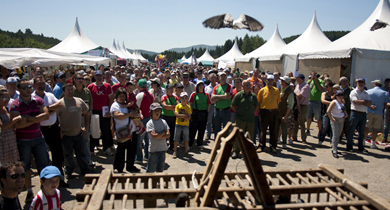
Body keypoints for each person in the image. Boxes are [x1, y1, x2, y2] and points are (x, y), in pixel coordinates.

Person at [10, 79, 50, 203]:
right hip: (23, 140)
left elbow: (46, 115)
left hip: (38, 138)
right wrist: (36, 119)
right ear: (19, 89)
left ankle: (44, 191)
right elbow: (16, 125)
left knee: (43, 166)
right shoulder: (15, 104)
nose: (28, 89)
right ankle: (29, 191)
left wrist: (29, 118)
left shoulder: (37, 100)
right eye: (24, 87)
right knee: (25, 168)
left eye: (29, 87)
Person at [32, 76, 68, 187]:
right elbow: (35, 114)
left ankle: (59, 179)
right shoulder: (32, 98)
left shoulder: (50, 95)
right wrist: (49, 111)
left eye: (43, 83)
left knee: (57, 154)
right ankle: (45, 182)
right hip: (39, 130)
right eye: (39, 84)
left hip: (53, 128)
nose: (41, 85)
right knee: (43, 158)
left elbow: (59, 105)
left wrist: (45, 111)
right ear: (34, 85)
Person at [57, 84, 91, 178]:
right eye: (68, 90)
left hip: (78, 133)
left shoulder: (79, 101)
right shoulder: (60, 103)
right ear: (63, 92)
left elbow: (86, 113)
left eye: (72, 89)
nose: (71, 91)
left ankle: (85, 170)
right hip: (66, 134)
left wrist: (85, 127)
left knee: (81, 153)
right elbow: (54, 118)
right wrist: (59, 131)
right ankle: (69, 172)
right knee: (68, 155)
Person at [111, 88, 140, 173]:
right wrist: (129, 114)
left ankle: (130, 166)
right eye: (120, 96)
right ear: (117, 96)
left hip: (132, 130)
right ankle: (118, 167)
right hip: (122, 131)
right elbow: (117, 115)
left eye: (124, 96)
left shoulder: (127, 104)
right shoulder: (115, 105)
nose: (122, 98)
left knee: (132, 150)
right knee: (121, 150)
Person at [88, 70, 115, 156]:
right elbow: (89, 100)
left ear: (103, 77)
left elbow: (111, 99)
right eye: (97, 76)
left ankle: (106, 148)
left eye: (100, 76)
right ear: (94, 77)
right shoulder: (90, 87)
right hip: (94, 111)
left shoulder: (107, 86)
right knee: (93, 130)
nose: (99, 78)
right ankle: (91, 149)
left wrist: (110, 111)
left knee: (105, 130)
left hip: (105, 111)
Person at [231, 80, 259, 158]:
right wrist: (238, 112)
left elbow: (256, 106)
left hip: (250, 120)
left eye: (249, 85)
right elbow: (233, 105)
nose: (248, 86)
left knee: (250, 137)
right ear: (242, 86)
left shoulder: (253, 95)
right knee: (238, 136)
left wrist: (251, 111)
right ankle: (236, 151)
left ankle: (249, 152)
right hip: (240, 119)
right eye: (246, 85)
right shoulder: (239, 95)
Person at [72, 73, 94, 167]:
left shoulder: (87, 91)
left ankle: (87, 158)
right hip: (73, 118)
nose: (81, 80)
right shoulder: (70, 90)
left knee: (85, 139)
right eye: (78, 78)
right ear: (74, 80)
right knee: (72, 139)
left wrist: (90, 111)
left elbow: (91, 103)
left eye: (82, 78)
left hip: (85, 118)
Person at [257, 74, 281, 154]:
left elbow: (278, 101)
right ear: (266, 81)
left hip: (273, 111)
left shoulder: (276, 90)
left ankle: (273, 146)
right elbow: (259, 102)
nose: (270, 82)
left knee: (273, 130)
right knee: (263, 130)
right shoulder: (262, 90)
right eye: (268, 80)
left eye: (271, 80)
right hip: (264, 111)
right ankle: (261, 146)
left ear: (273, 81)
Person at [346, 78, 371, 153]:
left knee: (362, 132)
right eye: (359, 82)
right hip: (355, 113)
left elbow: (369, 103)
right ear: (356, 83)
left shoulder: (366, 93)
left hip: (363, 114)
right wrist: (364, 102)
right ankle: (349, 147)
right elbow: (356, 102)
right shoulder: (353, 92)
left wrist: (362, 102)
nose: (360, 84)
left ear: (364, 84)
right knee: (351, 130)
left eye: (362, 82)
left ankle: (361, 147)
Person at [364, 79, 390, 149]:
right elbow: (386, 104)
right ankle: (373, 143)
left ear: (374, 84)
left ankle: (363, 140)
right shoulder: (385, 93)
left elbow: (365, 101)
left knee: (367, 127)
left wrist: (370, 106)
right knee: (375, 129)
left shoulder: (369, 91)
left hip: (369, 111)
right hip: (379, 112)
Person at [146, 103, 170, 173]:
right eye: (155, 111)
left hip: (162, 149)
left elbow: (168, 135)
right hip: (153, 150)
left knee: (160, 169)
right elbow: (154, 136)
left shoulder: (163, 122)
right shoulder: (150, 123)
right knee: (151, 170)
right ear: (151, 112)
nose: (157, 112)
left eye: (159, 110)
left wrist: (158, 134)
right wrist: (163, 133)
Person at [0, 87, 20, 165]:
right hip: (2, 141)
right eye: (3, 97)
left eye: (7, 97)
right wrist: (15, 119)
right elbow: (3, 127)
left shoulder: (5, 108)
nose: (6, 100)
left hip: (10, 139)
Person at [136, 79, 154, 162]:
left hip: (141, 119)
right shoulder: (150, 94)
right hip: (149, 118)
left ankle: (139, 158)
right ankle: (147, 155)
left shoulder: (140, 95)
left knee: (139, 140)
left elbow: (136, 108)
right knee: (147, 140)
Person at [189, 80, 211, 149]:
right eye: (199, 85)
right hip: (195, 112)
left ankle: (199, 143)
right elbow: (190, 102)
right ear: (197, 86)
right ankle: (190, 143)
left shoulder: (206, 94)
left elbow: (209, 103)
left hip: (203, 113)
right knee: (193, 129)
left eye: (202, 85)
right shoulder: (194, 94)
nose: (201, 87)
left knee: (202, 129)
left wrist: (207, 111)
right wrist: (191, 111)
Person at [327, 90, 348, 158]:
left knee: (338, 135)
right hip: (335, 120)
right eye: (339, 95)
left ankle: (335, 147)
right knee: (335, 135)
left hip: (341, 120)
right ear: (336, 96)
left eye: (341, 95)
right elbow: (328, 111)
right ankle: (334, 150)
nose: (340, 96)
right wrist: (332, 118)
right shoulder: (334, 102)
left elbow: (343, 110)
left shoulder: (342, 102)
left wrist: (345, 114)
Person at [211, 71, 232, 138]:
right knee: (217, 129)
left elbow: (227, 96)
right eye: (221, 76)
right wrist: (222, 97)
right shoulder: (216, 87)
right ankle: (217, 143)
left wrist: (216, 96)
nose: (223, 78)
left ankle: (225, 145)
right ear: (219, 78)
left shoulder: (229, 86)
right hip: (217, 111)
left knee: (226, 129)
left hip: (226, 111)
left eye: (224, 76)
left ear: (226, 77)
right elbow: (212, 99)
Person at [276, 76, 294, 149]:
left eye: (282, 81)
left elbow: (290, 105)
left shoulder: (289, 92)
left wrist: (286, 116)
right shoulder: (282, 89)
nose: (281, 82)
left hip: (284, 113)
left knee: (284, 129)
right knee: (278, 128)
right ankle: (278, 140)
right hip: (279, 112)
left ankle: (284, 142)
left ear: (285, 82)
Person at [292, 74, 310, 143]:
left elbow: (299, 96)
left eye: (298, 79)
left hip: (303, 106)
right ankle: (294, 136)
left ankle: (303, 138)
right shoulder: (297, 85)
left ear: (301, 79)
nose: (297, 80)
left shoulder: (306, 86)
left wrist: (293, 95)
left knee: (301, 121)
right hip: (296, 105)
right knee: (295, 121)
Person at [173, 92, 192, 159]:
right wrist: (185, 116)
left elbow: (189, 117)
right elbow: (176, 114)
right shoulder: (177, 106)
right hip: (178, 124)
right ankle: (175, 151)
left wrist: (181, 116)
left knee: (186, 139)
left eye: (185, 98)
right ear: (180, 98)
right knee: (176, 138)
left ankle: (186, 152)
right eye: (182, 98)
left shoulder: (188, 107)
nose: (184, 99)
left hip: (186, 125)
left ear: (187, 99)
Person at [306, 71, 324, 137]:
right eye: (312, 75)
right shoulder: (310, 81)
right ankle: (307, 130)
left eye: (314, 75)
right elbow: (306, 88)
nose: (313, 76)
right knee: (308, 117)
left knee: (318, 117)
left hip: (317, 101)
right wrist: (311, 80)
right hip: (309, 101)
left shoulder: (320, 81)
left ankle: (320, 131)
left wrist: (317, 82)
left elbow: (322, 89)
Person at [161, 84, 179, 150]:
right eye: (170, 89)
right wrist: (174, 107)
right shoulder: (164, 96)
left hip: (173, 117)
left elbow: (178, 106)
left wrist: (171, 107)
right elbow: (165, 106)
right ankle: (164, 145)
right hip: (165, 116)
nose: (171, 90)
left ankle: (171, 146)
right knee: (165, 131)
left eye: (172, 88)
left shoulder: (175, 97)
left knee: (173, 132)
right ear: (166, 89)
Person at [318, 81, 335, 145]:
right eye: (325, 86)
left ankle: (332, 142)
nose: (325, 87)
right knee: (325, 126)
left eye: (327, 86)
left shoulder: (334, 94)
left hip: (333, 113)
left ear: (331, 87)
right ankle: (321, 139)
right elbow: (323, 101)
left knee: (332, 128)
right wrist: (332, 103)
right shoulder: (324, 94)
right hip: (325, 113)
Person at [204, 73, 217, 140]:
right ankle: (208, 134)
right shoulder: (206, 88)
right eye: (211, 78)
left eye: (213, 78)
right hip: (209, 106)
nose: (212, 79)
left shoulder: (218, 86)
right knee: (208, 121)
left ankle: (216, 135)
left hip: (217, 105)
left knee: (216, 121)